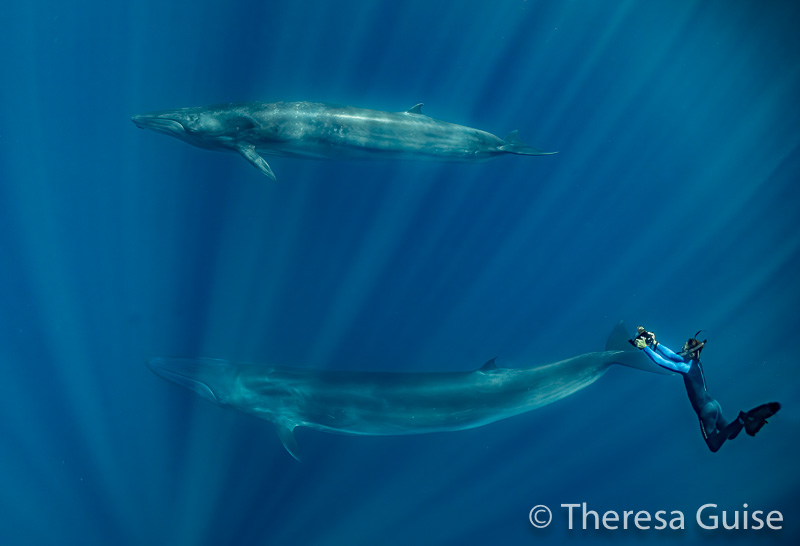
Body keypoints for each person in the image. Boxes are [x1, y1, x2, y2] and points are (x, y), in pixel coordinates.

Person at [632, 327, 780, 452]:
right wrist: (655, 344)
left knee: (714, 445)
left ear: (690, 353)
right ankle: (743, 420)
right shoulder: (694, 362)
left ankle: (743, 419)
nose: (681, 350)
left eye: (684, 348)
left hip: (706, 410)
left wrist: (644, 348)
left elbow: (663, 362)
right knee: (730, 434)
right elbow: (672, 355)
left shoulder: (685, 367)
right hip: (713, 404)